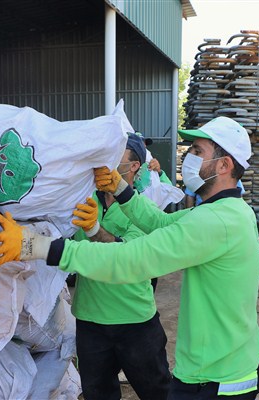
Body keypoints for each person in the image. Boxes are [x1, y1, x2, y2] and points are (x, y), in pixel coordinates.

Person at [0, 116, 259, 399]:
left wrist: (36, 246)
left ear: (224, 165)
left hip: (217, 379)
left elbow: (132, 259)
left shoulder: (215, 221)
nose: (187, 158)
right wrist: (121, 189)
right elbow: (161, 224)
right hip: (228, 362)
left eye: (197, 152)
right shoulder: (226, 212)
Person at [69, 133, 170, 400]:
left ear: (134, 165)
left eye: (116, 156)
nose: (106, 161)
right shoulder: (83, 198)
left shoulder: (144, 210)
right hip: (90, 320)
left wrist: (94, 230)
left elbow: (125, 253)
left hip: (135, 321)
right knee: (97, 393)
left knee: (157, 392)